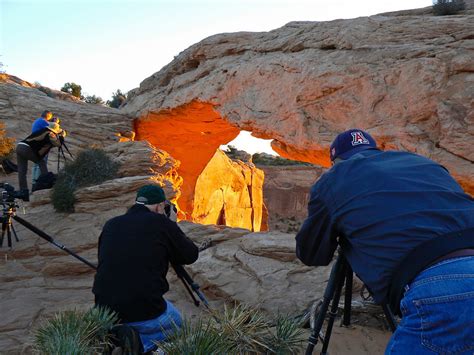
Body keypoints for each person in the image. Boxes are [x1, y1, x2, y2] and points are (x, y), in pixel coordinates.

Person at [295, 129, 474, 354]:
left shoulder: (333, 179)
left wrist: (349, 236)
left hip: (441, 294)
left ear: (335, 162)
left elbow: (311, 253)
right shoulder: (421, 163)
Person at [93, 185, 199, 354]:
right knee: (177, 323)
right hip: (144, 310)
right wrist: (172, 224)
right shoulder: (162, 222)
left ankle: (118, 340)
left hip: (104, 312)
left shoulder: (111, 224)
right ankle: (143, 346)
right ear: (159, 207)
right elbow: (190, 255)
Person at [16, 122, 66, 200]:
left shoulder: (43, 131)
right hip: (27, 149)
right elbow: (58, 143)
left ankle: (23, 192)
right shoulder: (50, 134)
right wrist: (62, 136)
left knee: (22, 170)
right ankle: (46, 182)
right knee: (41, 162)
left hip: (19, 146)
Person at [31, 110, 53, 186]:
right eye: (50, 117)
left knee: (36, 164)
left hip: (34, 144)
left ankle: (34, 182)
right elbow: (52, 131)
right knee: (41, 164)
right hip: (41, 146)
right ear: (48, 116)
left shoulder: (36, 121)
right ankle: (38, 182)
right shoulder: (44, 122)